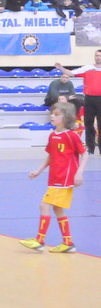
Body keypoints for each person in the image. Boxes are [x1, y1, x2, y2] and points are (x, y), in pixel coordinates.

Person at [19, 103, 88, 254]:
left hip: (63, 179)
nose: (52, 116)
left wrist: (79, 172)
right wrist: (38, 170)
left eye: (56, 114)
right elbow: (51, 155)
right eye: (52, 113)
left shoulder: (71, 135)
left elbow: (85, 154)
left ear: (66, 117)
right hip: (54, 178)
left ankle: (40, 240)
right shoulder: (52, 135)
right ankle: (68, 243)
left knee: (44, 206)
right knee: (58, 209)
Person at [55, 49, 101, 154]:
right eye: (97, 55)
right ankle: (90, 148)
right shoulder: (87, 68)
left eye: (100, 56)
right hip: (89, 99)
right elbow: (71, 73)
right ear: (94, 57)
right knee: (88, 123)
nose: (98, 57)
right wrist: (61, 68)